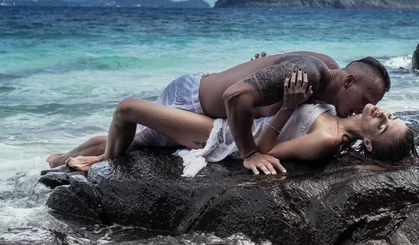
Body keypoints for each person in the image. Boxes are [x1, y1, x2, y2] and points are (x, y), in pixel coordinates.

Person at [48, 52, 391, 175]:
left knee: (141, 142)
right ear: (347, 81)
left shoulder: (325, 72)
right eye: (365, 99)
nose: (364, 109)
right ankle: (99, 158)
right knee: (134, 129)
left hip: (202, 100)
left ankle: (61, 158)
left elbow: (273, 66)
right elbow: (235, 95)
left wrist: (263, 65)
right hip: (192, 100)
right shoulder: (312, 73)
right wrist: (249, 152)